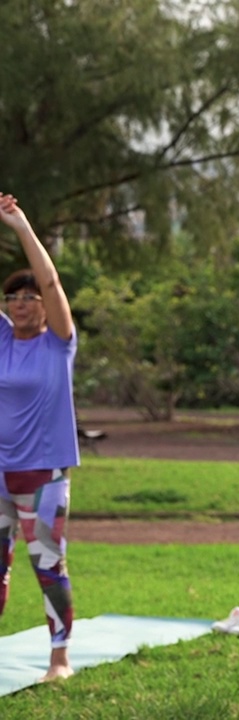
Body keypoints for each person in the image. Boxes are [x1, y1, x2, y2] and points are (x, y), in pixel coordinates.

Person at [0, 192, 79, 682]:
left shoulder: (59, 343)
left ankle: (59, 659)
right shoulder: (3, 338)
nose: (23, 304)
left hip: (44, 476)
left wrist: (18, 224)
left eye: (31, 298)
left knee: (47, 564)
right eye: (13, 297)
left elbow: (49, 279)